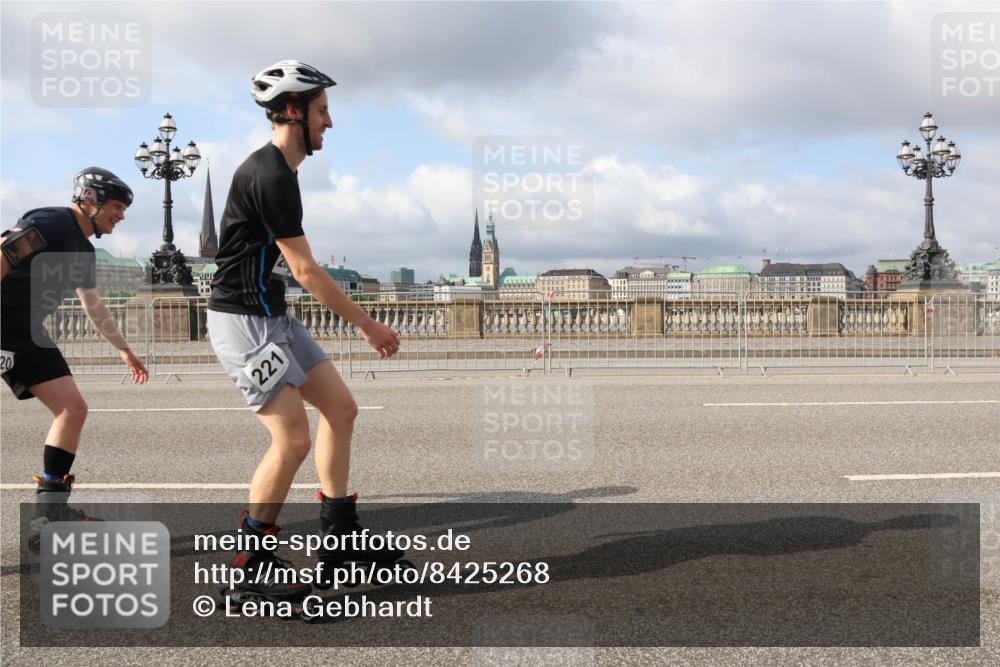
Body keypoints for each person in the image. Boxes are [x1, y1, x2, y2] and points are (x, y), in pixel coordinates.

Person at [207, 60, 402, 602]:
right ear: (292, 110)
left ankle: (339, 540)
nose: (330, 123)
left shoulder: (282, 170)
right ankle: (251, 564)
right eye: (322, 111)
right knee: (292, 437)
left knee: (341, 410)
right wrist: (367, 325)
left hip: (272, 316)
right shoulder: (268, 173)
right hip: (243, 322)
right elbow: (307, 271)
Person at [0, 167, 148, 548]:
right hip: (3, 326)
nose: (122, 215)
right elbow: (3, 253)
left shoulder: (83, 249)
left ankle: (51, 514)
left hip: (29, 333)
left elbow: (94, 306)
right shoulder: (51, 223)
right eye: (117, 206)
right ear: (91, 199)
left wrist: (124, 350)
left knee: (73, 409)